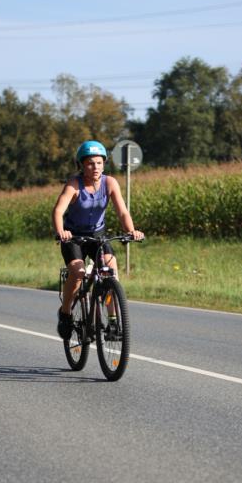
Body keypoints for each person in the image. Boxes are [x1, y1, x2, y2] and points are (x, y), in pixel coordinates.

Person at [52, 140, 144, 338]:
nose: (95, 167)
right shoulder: (74, 185)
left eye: (99, 163)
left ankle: (112, 322)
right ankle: (65, 313)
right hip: (74, 237)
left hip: (97, 236)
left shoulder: (109, 183)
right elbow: (58, 210)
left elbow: (122, 212)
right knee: (77, 273)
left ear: (104, 163)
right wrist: (61, 232)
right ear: (82, 165)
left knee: (110, 270)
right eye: (90, 163)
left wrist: (131, 230)